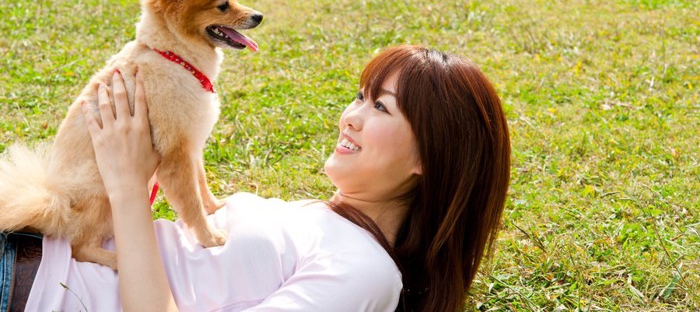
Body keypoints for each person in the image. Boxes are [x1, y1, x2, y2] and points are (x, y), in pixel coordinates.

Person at [1, 45, 511, 312]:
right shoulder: (313, 216)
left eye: (381, 107)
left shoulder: (366, 272)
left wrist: (129, 190)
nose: (351, 117)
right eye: (359, 96)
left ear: (433, 157)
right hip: (28, 241)